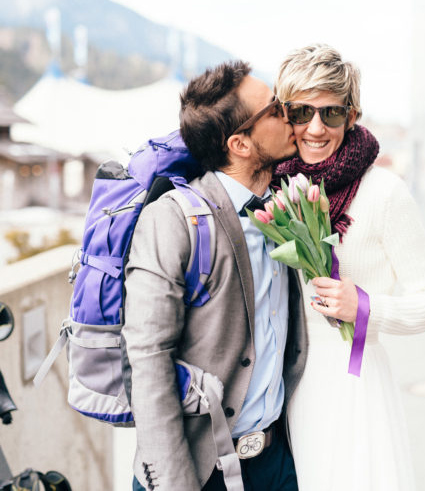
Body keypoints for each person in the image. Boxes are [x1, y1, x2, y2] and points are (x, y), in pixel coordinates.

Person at [123, 60, 308, 491]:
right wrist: (172, 483)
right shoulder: (173, 220)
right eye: (275, 109)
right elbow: (148, 359)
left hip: (275, 463)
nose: (289, 113)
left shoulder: (286, 207)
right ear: (240, 144)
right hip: (198, 469)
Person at [273, 44, 425, 490]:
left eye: (330, 114)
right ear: (283, 115)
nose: (315, 128)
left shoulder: (385, 193)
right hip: (282, 392)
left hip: (353, 387)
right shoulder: (273, 189)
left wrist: (366, 307)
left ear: (352, 116)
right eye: (301, 113)